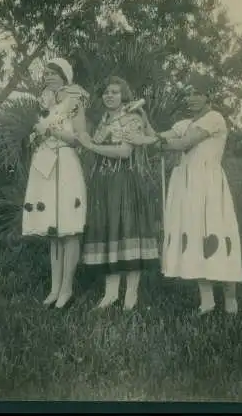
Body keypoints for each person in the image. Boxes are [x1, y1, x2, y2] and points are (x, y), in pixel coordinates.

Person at [122, 75, 242, 316]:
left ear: (208, 96)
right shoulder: (184, 122)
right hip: (189, 187)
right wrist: (144, 117)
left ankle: (231, 302)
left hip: (209, 185)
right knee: (198, 237)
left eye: (197, 93)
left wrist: (145, 141)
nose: (191, 98)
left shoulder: (214, 119)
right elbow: (159, 136)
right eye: (188, 94)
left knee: (217, 235)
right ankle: (207, 301)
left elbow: (182, 144)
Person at [76, 76, 159, 311]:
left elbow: (124, 152)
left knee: (128, 230)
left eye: (115, 92)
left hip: (125, 181)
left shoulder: (133, 118)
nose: (109, 95)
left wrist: (91, 146)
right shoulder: (104, 120)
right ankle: (110, 293)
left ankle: (131, 294)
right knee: (108, 232)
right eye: (106, 92)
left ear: (124, 95)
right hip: (104, 183)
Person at [22, 57, 89, 309]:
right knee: (53, 231)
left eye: (54, 73)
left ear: (64, 76)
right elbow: (40, 131)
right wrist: (35, 137)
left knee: (68, 229)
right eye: (46, 73)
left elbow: (80, 138)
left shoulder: (75, 101)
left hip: (65, 164)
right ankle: (54, 288)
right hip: (45, 166)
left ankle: (67, 288)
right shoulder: (46, 103)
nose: (48, 77)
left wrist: (51, 132)